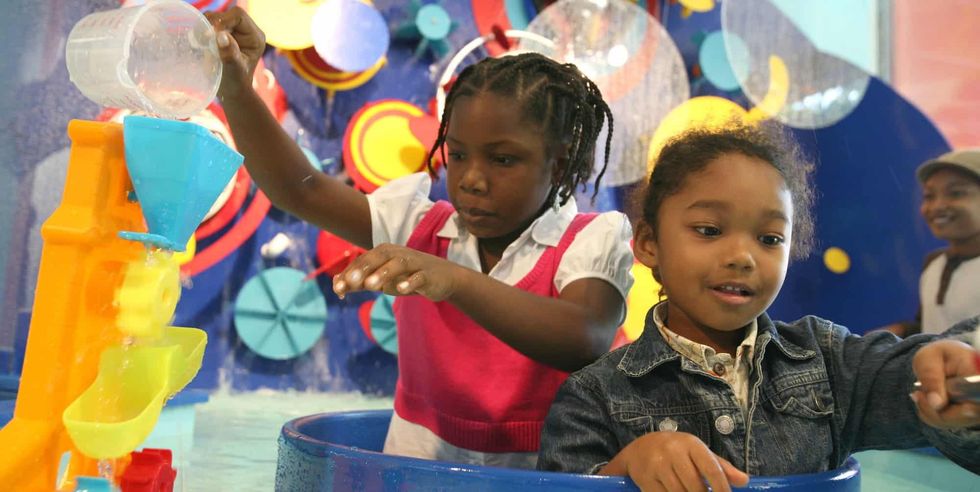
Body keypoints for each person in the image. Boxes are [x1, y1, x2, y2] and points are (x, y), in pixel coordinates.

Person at [206, 8, 634, 468]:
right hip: (416, 467)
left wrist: (454, 281)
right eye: (459, 154)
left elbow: (583, 338)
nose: (472, 178)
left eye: (503, 160)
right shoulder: (418, 226)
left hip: (542, 473)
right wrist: (236, 86)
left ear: (559, 162)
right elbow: (299, 188)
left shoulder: (590, 240)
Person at [537, 123, 980, 491]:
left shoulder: (828, 361)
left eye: (769, 239)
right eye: (709, 230)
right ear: (649, 243)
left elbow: (915, 379)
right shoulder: (594, 395)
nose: (742, 256)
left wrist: (950, 371)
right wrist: (624, 469)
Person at [882, 149, 980, 337]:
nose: (937, 206)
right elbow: (933, 328)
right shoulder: (934, 263)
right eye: (929, 196)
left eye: (956, 193)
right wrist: (902, 332)